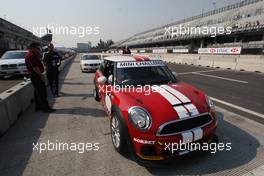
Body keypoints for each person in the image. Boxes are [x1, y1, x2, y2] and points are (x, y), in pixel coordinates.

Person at [25, 42, 55, 113]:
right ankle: (46, 108)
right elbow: (35, 68)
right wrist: (42, 76)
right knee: (42, 93)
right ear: (33, 48)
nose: (38, 50)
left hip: (35, 76)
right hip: (36, 76)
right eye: (37, 48)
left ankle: (38, 107)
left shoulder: (32, 54)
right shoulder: (31, 55)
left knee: (37, 93)